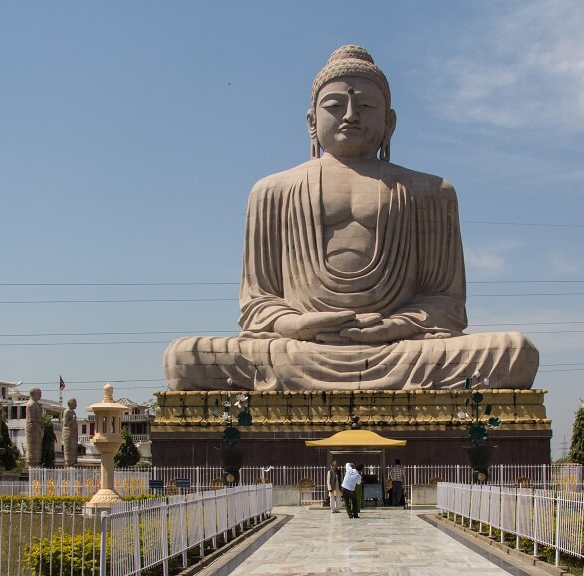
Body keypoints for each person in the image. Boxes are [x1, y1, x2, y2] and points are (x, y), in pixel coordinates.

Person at [163, 45, 538, 391]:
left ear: (389, 122)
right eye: (334, 105)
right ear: (312, 120)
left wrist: (392, 327)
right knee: (184, 358)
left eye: (367, 107)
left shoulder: (431, 192)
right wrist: (296, 324)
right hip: (299, 348)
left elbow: (444, 302)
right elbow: (259, 302)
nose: (350, 116)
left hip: (399, 349)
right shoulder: (271, 190)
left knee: (515, 352)